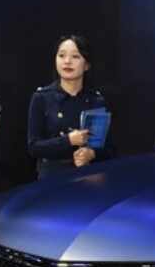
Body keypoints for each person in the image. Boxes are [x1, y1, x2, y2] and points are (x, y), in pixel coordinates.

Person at [27, 34, 112, 178]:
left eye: (75, 56)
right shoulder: (41, 97)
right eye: (61, 55)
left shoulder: (96, 100)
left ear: (87, 65)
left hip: (87, 176)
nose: (67, 61)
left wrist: (92, 153)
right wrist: (68, 140)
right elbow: (33, 147)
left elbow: (109, 147)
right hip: (52, 177)